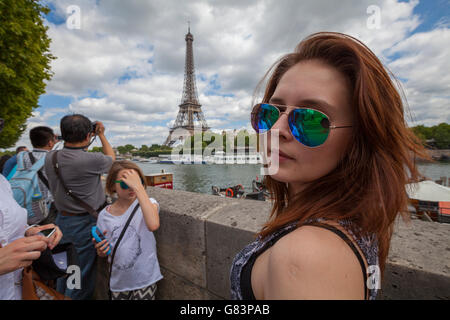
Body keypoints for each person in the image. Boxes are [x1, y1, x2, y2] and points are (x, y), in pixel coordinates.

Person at [230, 32, 429, 300]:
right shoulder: (356, 224)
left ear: (359, 139)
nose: (277, 130)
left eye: (311, 120)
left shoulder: (307, 256)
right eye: (269, 112)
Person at [44, 114, 115, 300]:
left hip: (61, 221)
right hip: (83, 224)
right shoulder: (92, 160)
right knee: (78, 274)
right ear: (87, 136)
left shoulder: (51, 157)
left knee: (64, 268)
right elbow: (112, 159)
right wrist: (101, 135)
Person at [0, 119, 63, 300]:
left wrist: (27, 230)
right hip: (45, 210)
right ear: (50, 142)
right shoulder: (54, 158)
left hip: (17, 286)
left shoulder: (16, 160)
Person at [94, 160, 162, 300]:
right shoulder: (104, 216)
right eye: (126, 184)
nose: (132, 188)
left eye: (137, 182)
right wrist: (100, 250)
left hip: (145, 279)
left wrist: (139, 189)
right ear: (113, 186)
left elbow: (153, 224)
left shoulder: (149, 204)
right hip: (118, 282)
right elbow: (102, 252)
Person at [20, 126, 59, 225]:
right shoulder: (54, 158)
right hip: (47, 206)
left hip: (27, 203)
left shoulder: (23, 156)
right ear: (50, 143)